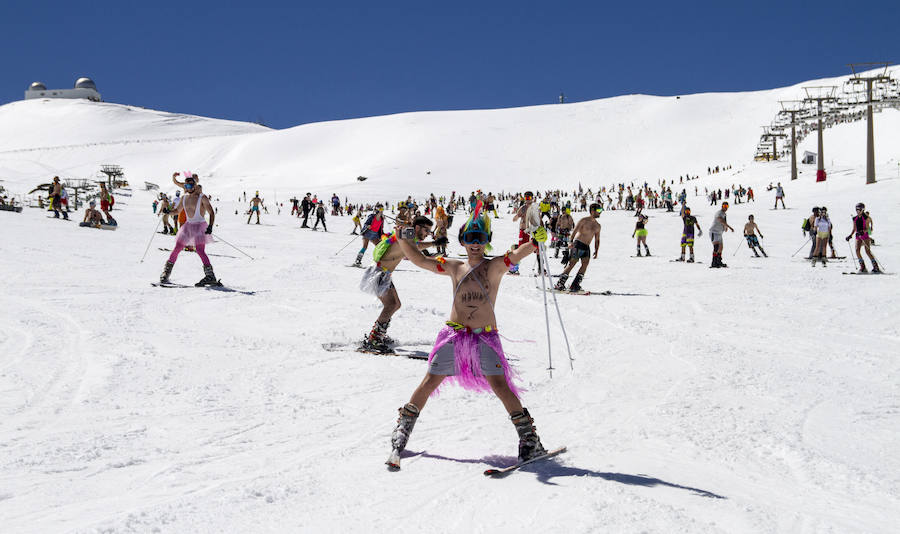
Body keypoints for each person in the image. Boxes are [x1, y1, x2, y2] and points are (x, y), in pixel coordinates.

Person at [386, 209, 551, 470]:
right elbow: (418, 259)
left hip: (485, 337)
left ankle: (529, 439)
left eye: (480, 237)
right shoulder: (454, 266)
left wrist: (534, 242)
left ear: (487, 240)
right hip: (454, 335)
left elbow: (517, 255)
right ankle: (403, 429)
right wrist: (404, 234)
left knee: (500, 385)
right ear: (462, 240)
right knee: (430, 381)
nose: (475, 243)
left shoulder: (495, 266)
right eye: (470, 237)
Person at [359, 216, 434, 352]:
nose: (428, 233)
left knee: (395, 304)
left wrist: (434, 243)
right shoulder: (406, 235)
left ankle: (378, 334)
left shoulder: (409, 236)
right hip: (379, 272)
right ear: (417, 228)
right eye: (427, 230)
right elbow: (412, 247)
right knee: (391, 305)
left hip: (383, 273)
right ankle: (374, 339)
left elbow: (414, 245)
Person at [159, 175, 220, 286]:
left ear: (194, 185)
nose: (188, 187)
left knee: (200, 250)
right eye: (186, 185)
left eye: (190, 185)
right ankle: (166, 273)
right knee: (177, 248)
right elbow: (177, 210)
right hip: (188, 226)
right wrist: (168, 211)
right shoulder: (184, 197)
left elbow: (211, 212)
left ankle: (210, 276)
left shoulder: (202, 197)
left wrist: (210, 226)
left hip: (200, 226)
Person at [555, 203, 602, 292]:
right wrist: (570, 242)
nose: (600, 213)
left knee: (585, 264)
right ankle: (560, 284)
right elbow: (574, 231)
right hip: (578, 244)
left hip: (586, 247)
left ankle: (575, 285)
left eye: (601, 211)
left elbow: (597, 240)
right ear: (592, 211)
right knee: (572, 263)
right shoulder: (584, 220)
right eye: (599, 210)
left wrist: (596, 250)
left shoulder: (598, 225)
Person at [845, 203, 880, 273]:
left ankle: (876, 267)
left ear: (863, 209)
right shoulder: (855, 218)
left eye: (859, 209)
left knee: (867, 251)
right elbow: (854, 228)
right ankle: (863, 267)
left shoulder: (866, 218)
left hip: (865, 236)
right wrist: (850, 235)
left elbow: (868, 229)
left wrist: (863, 231)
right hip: (858, 236)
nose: (857, 211)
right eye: (856, 209)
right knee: (857, 250)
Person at [709, 201, 734, 268]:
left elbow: (724, 221)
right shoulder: (719, 213)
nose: (725, 208)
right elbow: (720, 220)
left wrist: (725, 227)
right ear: (722, 206)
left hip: (719, 233)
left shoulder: (724, 214)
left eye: (727, 206)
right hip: (714, 232)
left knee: (721, 248)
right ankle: (714, 262)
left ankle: (718, 261)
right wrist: (729, 227)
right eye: (724, 206)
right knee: (716, 247)